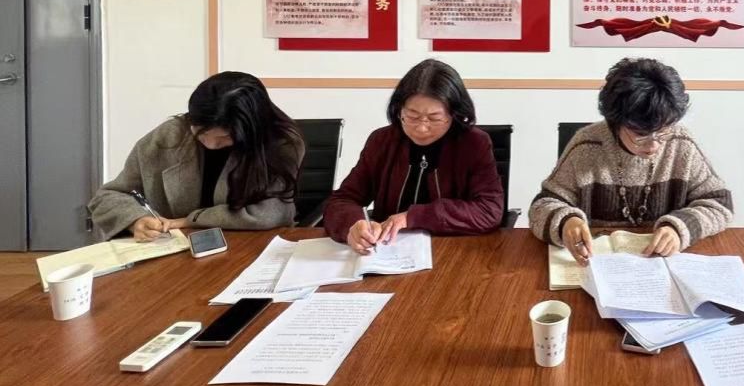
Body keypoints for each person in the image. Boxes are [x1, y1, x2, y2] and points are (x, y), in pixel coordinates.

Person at [529, 57, 733, 263]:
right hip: (598, 262)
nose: (654, 145)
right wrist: (567, 222)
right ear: (616, 122)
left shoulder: (681, 143)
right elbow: (541, 207)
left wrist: (680, 228)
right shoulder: (587, 146)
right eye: (641, 135)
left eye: (663, 132)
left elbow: (719, 204)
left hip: (662, 262)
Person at [88, 72, 303, 240]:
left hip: (251, 245)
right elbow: (107, 197)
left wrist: (188, 221)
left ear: (251, 130)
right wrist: (136, 220)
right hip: (177, 250)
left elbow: (270, 213)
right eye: (200, 132)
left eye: (224, 137)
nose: (210, 144)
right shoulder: (167, 137)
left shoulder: (281, 143)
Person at [324, 59, 503, 253]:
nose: (421, 128)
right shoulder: (382, 141)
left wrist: (413, 217)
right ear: (398, 110)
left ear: (454, 114)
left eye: (434, 118)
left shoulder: (474, 144)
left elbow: (488, 211)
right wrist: (353, 224)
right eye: (412, 116)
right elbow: (342, 200)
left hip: (455, 252)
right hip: (387, 252)